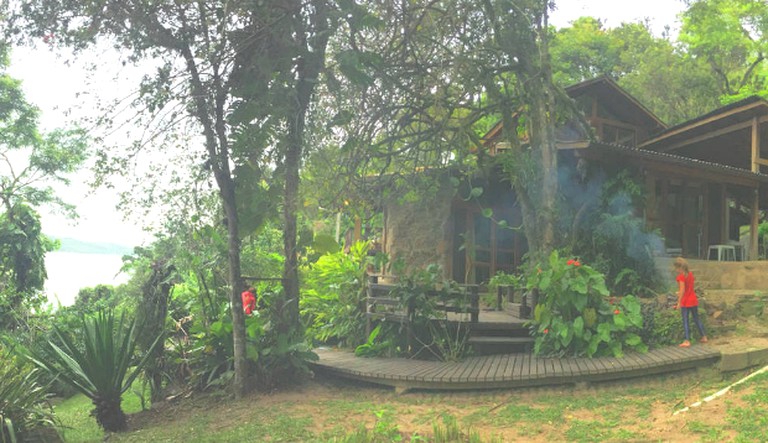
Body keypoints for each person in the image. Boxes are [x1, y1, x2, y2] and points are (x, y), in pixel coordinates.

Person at [673, 257, 707, 347]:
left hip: (685, 301)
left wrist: (679, 302)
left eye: (676, 268)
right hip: (693, 299)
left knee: (685, 320)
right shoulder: (690, 274)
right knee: (696, 319)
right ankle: (703, 336)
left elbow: (683, 290)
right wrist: (680, 292)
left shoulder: (681, 277)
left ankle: (687, 340)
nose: (676, 270)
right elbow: (689, 288)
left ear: (679, 267)